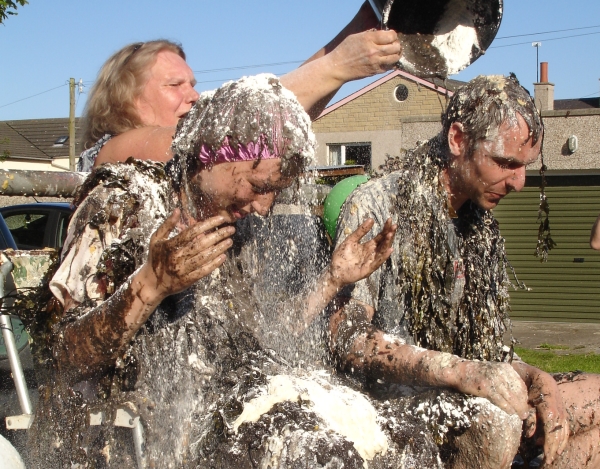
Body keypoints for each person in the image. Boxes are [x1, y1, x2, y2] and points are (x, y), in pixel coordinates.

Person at [27, 75, 415, 468]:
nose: (264, 207)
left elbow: (266, 337)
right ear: (213, 154)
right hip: (124, 442)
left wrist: (332, 279)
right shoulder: (123, 206)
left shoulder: (239, 228)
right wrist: (152, 284)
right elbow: (65, 357)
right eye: (257, 185)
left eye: (276, 191)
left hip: (224, 424)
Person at [329, 75, 600, 468]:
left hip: (462, 389)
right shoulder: (376, 204)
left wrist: (536, 377)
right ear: (458, 140)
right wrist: (458, 371)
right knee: (496, 423)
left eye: (523, 166)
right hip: (388, 404)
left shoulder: (477, 220)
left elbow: (487, 353)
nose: (519, 183)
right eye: (506, 163)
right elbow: (347, 336)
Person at [78, 1, 401, 171]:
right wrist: (336, 66)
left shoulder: (197, 151)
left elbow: (282, 115)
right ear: (127, 100)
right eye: (174, 84)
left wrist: (362, 23)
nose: (193, 96)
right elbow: (236, 124)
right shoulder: (111, 152)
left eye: (192, 83)